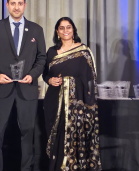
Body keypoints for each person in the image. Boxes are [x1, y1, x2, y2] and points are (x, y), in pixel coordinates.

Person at [0, 0, 46, 171]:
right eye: (13, 3)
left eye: (20, 3)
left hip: (27, 89)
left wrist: (33, 75)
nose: (17, 7)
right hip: (0, 89)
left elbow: (42, 58)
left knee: (27, 133)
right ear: (7, 5)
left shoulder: (36, 29)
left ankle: (26, 168)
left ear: (25, 5)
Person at [42, 17, 101, 171]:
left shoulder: (83, 51)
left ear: (73, 29)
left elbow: (91, 79)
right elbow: (45, 75)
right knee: (57, 135)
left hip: (77, 104)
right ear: (57, 31)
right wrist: (50, 80)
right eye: (62, 28)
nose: (65, 30)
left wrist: (72, 85)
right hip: (55, 100)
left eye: (68, 27)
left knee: (74, 135)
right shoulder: (51, 51)